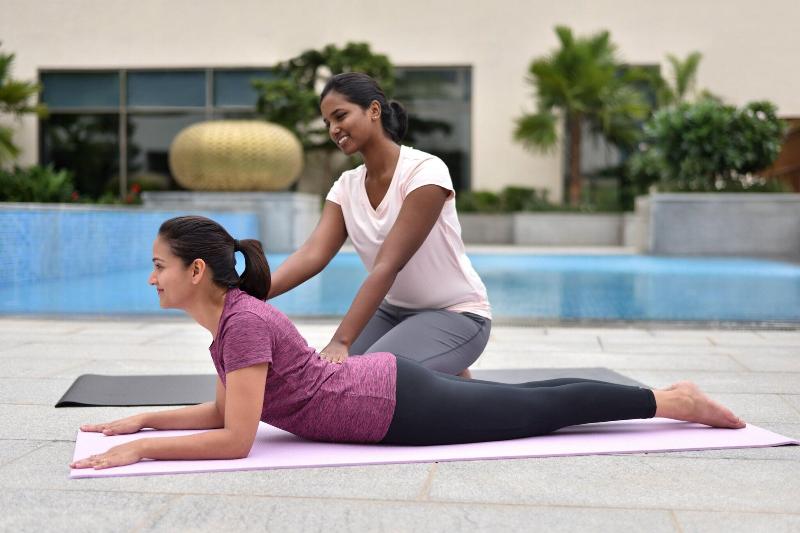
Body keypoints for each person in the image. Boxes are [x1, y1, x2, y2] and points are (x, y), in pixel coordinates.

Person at [72, 216, 745, 471]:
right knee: (524, 402)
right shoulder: (229, 324)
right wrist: (143, 417)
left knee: (535, 412)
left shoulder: (242, 323)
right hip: (385, 385)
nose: (150, 275)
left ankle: (667, 398)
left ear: (195, 271)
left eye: (159, 264)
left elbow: (236, 439)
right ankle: (664, 394)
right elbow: (225, 413)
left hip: (392, 405)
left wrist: (143, 447)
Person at [267, 72, 490, 377]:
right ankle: (447, 376)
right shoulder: (346, 186)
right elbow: (311, 255)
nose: (334, 129)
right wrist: (252, 293)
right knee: (330, 383)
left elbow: (388, 264)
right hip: (393, 312)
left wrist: (341, 341)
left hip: (457, 314)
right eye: (327, 123)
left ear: (373, 110)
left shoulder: (425, 172)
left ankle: (445, 368)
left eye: (340, 116)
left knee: (367, 381)